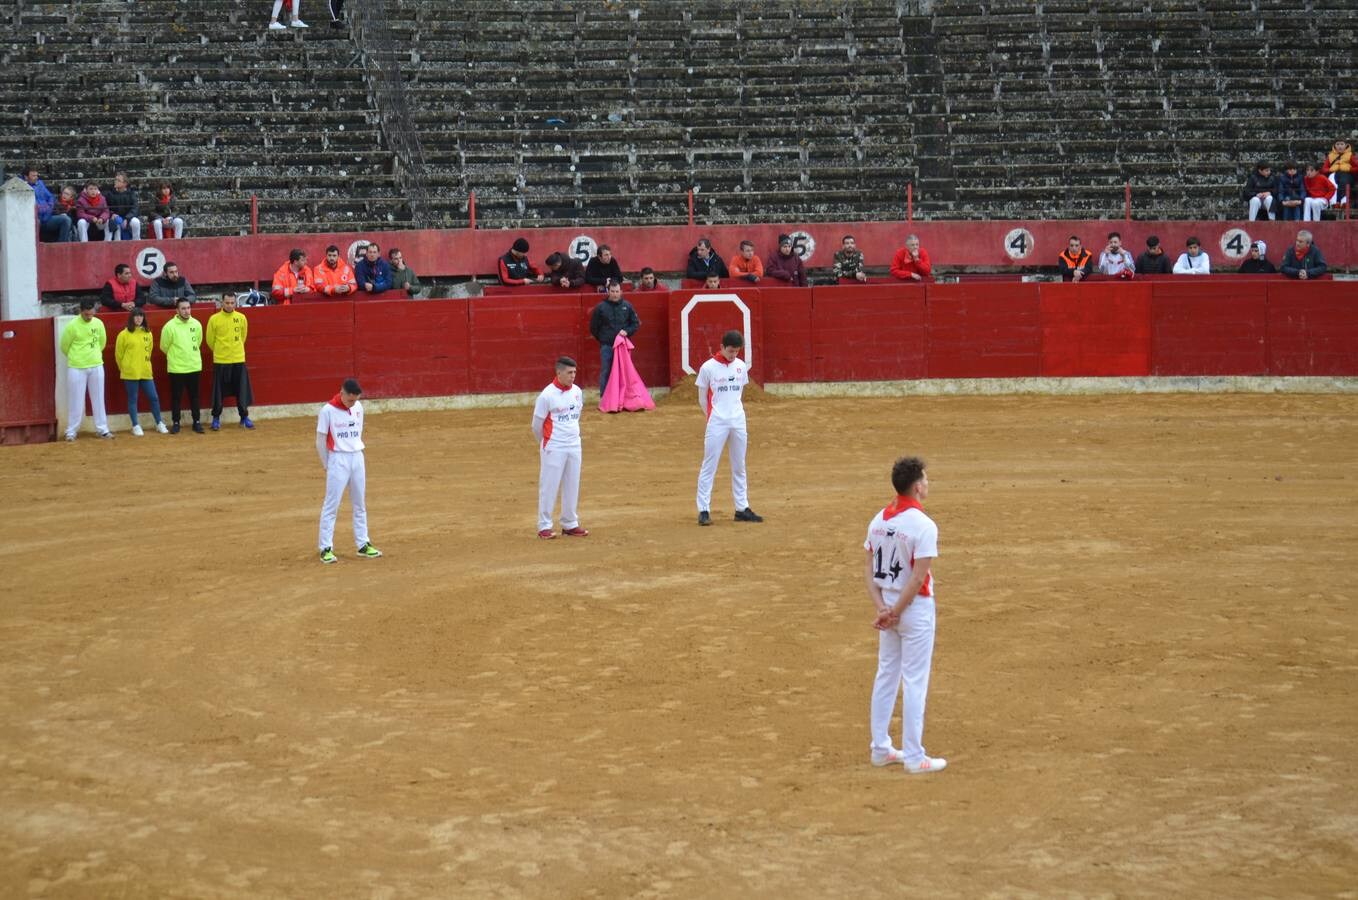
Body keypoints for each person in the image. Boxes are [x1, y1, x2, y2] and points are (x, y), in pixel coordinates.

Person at [866, 455, 944, 775]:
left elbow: (867, 570)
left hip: (888, 606)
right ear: (916, 487)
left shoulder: (878, 520)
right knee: (914, 681)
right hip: (913, 611)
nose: (928, 483)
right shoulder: (923, 525)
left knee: (886, 675)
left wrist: (883, 609)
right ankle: (914, 756)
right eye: (925, 479)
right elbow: (917, 578)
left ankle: (881, 748)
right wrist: (895, 612)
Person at [695, 330, 762, 527]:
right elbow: (701, 398)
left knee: (739, 464)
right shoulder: (708, 368)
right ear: (722, 347)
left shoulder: (741, 366)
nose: (733, 355)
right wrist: (712, 417)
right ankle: (703, 510)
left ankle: (742, 508)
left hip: (738, 419)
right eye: (731, 351)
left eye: (737, 352)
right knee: (710, 464)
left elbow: (739, 393)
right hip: (717, 420)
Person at [316, 378, 383, 564]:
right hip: (338, 459)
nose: (352, 403)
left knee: (359, 503)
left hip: (357, 456)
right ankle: (325, 547)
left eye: (355, 400)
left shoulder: (358, 407)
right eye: (349, 400)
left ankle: (363, 544)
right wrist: (327, 464)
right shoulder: (327, 410)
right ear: (342, 393)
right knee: (331, 505)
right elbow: (320, 440)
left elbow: (358, 431)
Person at [532, 357, 588, 540]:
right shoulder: (546, 395)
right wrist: (547, 442)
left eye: (574, 373)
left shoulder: (577, 392)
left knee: (573, 484)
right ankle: (544, 525)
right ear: (559, 373)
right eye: (569, 373)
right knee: (549, 485)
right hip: (554, 446)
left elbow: (576, 416)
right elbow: (536, 425)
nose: (573, 376)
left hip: (574, 444)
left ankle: (570, 523)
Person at [59, 299, 113, 441]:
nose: (90, 317)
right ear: (81, 311)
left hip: (96, 364)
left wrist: (93, 355)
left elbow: (102, 342)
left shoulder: (98, 323)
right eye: (87, 314)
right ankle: (71, 431)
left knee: (99, 398)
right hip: (77, 366)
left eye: (91, 314)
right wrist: (77, 357)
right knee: (75, 400)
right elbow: (64, 346)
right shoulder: (72, 326)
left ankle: (103, 429)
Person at [115, 308, 167, 436]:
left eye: (141, 316)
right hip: (130, 372)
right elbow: (118, 354)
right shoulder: (124, 334)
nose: (139, 319)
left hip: (145, 371)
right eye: (136, 316)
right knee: (133, 399)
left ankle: (159, 422)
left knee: (153, 397)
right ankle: (135, 425)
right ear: (131, 318)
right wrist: (125, 368)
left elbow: (149, 352)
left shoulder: (148, 333)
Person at [205, 294, 254, 431]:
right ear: (222, 303)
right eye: (227, 302)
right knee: (218, 392)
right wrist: (221, 351)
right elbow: (210, 340)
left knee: (241, 390)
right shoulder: (214, 319)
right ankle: (216, 418)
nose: (230, 305)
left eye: (232, 302)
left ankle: (244, 417)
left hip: (238, 359)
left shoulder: (241, 318)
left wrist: (235, 351)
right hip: (221, 360)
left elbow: (242, 337)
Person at [160, 298, 204, 433]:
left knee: (195, 396)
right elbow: (164, 346)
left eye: (188, 308)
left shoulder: (196, 324)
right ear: (177, 310)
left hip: (194, 366)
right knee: (176, 397)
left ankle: (196, 422)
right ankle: (176, 422)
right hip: (177, 368)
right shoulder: (169, 326)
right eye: (183, 308)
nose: (186, 311)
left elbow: (198, 342)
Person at [588, 281, 640, 397]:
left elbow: (635, 324)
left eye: (617, 291)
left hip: (622, 346)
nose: (615, 294)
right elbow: (593, 327)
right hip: (607, 345)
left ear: (621, 292)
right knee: (606, 371)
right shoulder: (600, 307)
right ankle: (605, 398)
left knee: (624, 372)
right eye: (612, 291)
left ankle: (624, 397)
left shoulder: (627, 306)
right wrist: (603, 339)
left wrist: (627, 331)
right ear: (608, 291)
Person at [25, 166, 72, 243]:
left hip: (47, 217)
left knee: (66, 220)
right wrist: (46, 208)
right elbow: (34, 207)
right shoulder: (23, 189)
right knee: (37, 222)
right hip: (36, 219)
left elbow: (50, 197)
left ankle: (61, 246)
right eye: (33, 176)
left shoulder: (40, 183)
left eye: (37, 175)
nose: (36, 177)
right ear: (26, 177)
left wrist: (49, 207)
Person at [105, 171, 142, 241]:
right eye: (115, 180)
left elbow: (135, 208)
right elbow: (105, 208)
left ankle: (137, 241)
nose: (115, 182)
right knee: (116, 223)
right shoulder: (110, 194)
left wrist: (127, 218)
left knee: (136, 222)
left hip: (128, 218)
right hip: (115, 218)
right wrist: (112, 214)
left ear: (125, 183)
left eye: (118, 180)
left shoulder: (131, 194)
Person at [1322, 139, 1352, 207]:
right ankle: (1334, 203)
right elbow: (1324, 169)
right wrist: (1332, 169)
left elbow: (1356, 167)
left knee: (1344, 182)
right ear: (1335, 146)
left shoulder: (1350, 155)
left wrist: (1349, 169)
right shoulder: (1330, 156)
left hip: (1346, 174)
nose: (1340, 146)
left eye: (1342, 144)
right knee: (1332, 182)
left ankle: (1344, 202)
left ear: (1345, 145)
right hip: (1334, 174)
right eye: (1338, 144)